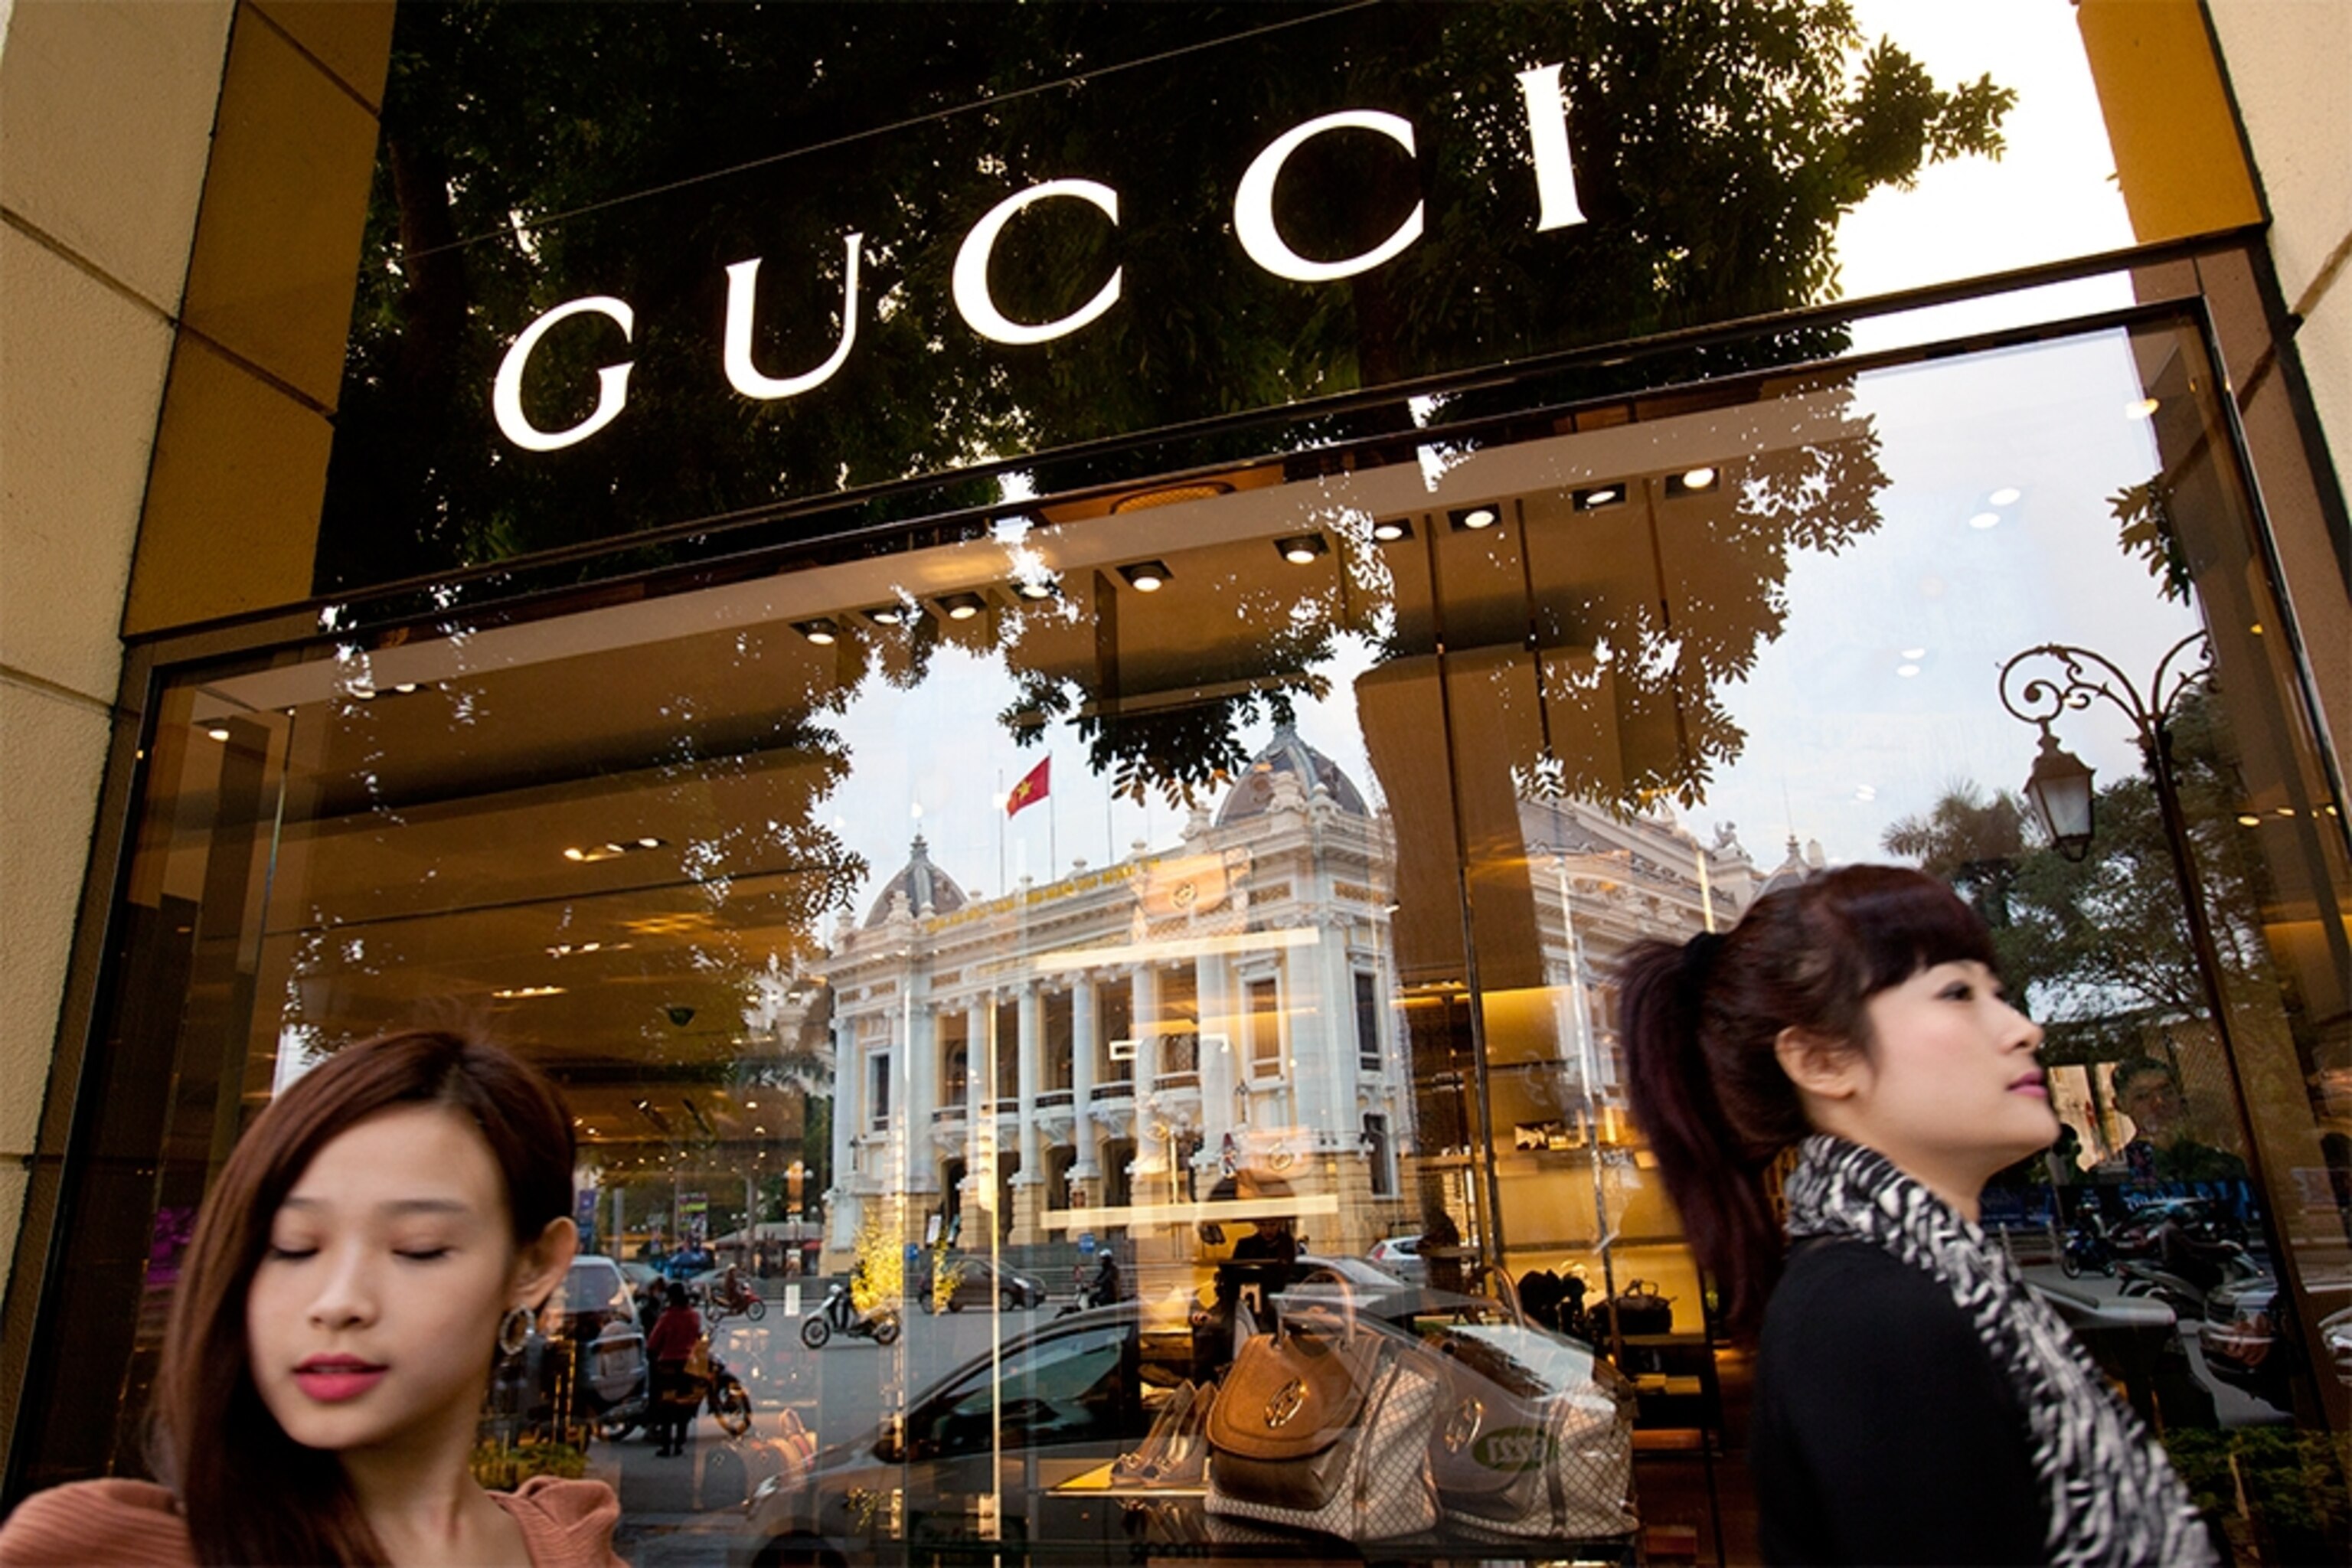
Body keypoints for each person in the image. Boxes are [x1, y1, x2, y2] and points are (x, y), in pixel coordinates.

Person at [1621, 866, 2211, 1566]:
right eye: (1957, 993)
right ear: (1820, 1058)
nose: (2024, 1028)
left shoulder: (1925, 1285)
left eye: (1996, 993)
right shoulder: (1873, 1316)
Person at [0, 1029, 622, 1567]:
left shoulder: (570, 1544)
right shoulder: (112, 1551)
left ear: (536, 1266)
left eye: (418, 1247)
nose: (339, 1301)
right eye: (292, 1247)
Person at [2109, 1055, 2249, 1184]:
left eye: (2167, 1092)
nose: (2159, 1103)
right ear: (2121, 1105)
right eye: (2143, 1096)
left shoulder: (2222, 1166)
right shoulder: (2113, 1176)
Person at [643, 1281, 704, 1457]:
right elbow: (698, 1339)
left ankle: (666, 1444)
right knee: (684, 1403)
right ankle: (680, 1442)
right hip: (688, 1365)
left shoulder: (667, 1317)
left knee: (667, 1405)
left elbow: (653, 1343)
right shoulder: (694, 1317)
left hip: (668, 1366)